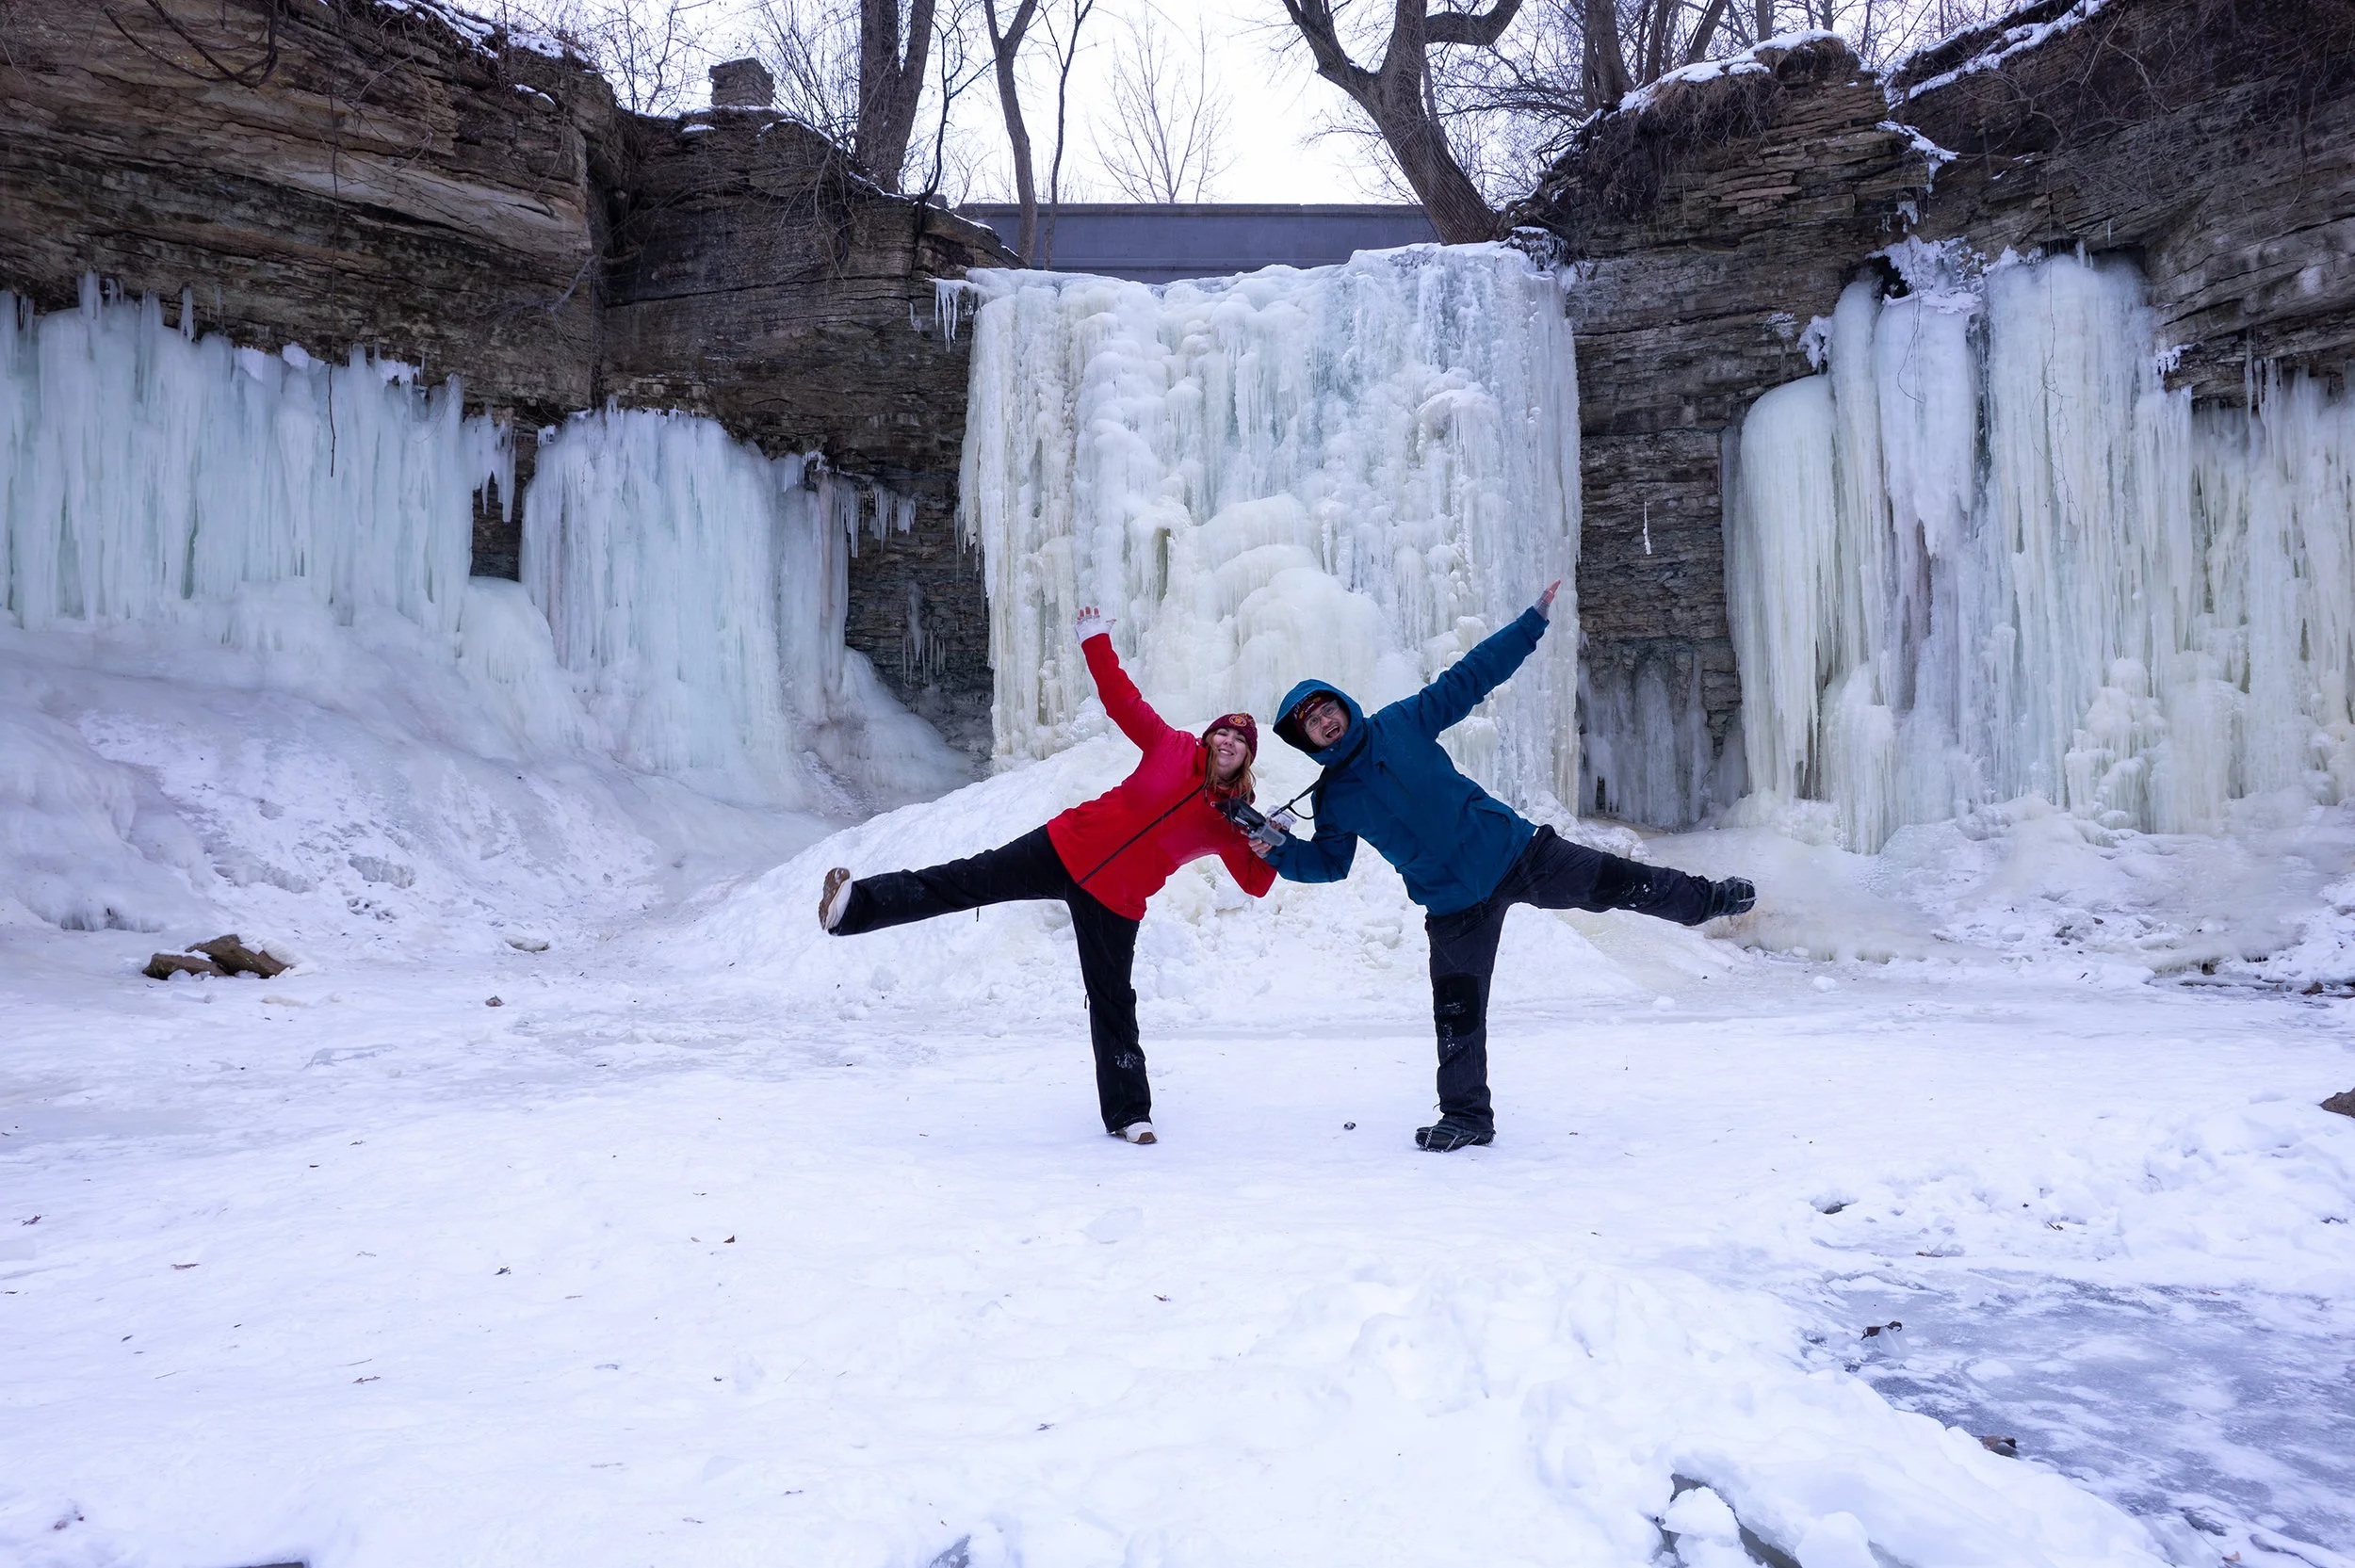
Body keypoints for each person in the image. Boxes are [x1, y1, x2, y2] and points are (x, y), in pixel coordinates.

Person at [1259, 581, 1756, 1152]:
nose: (1323, 722)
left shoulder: (1402, 722)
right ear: (1304, 740)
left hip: (1518, 854)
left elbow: (1469, 678)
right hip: (1451, 905)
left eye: (1325, 709)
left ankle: (1707, 901)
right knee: (1457, 1010)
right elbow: (1329, 863)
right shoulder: (1331, 801)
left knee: (1617, 881)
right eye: (1310, 724)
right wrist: (1278, 852)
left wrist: (1531, 623)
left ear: (1341, 706)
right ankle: (1467, 1117)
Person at [818, 606, 1275, 1145]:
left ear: (1247, 757)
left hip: (1116, 899)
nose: (1228, 742)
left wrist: (1268, 845)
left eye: (1240, 741)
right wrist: (1095, 639)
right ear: (1210, 737)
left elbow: (1256, 883)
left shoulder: (1233, 819)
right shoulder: (1170, 746)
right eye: (1223, 732)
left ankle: (1131, 1114)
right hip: (1065, 846)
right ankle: (853, 908)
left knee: (1112, 1000)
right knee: (963, 880)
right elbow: (1122, 699)